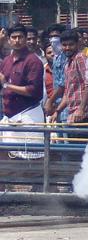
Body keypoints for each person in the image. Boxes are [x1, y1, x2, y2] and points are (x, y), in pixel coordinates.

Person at [0, 24, 45, 159]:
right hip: (9, 115)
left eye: (20, 37)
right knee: (10, 156)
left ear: (25, 39)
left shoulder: (33, 61)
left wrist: (6, 85)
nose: (17, 40)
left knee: (32, 157)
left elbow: (33, 90)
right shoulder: (7, 61)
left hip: (29, 114)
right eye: (14, 37)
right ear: (9, 40)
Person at [55, 29, 88, 124]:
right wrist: (57, 111)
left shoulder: (80, 58)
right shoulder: (68, 64)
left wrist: (81, 109)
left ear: (77, 44)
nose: (67, 48)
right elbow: (67, 93)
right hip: (73, 115)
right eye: (64, 45)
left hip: (85, 116)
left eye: (70, 45)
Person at [44, 24, 67, 123]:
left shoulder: (65, 57)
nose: (53, 39)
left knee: (67, 138)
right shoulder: (56, 58)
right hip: (57, 107)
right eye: (51, 37)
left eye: (56, 36)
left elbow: (63, 84)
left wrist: (50, 101)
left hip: (66, 106)